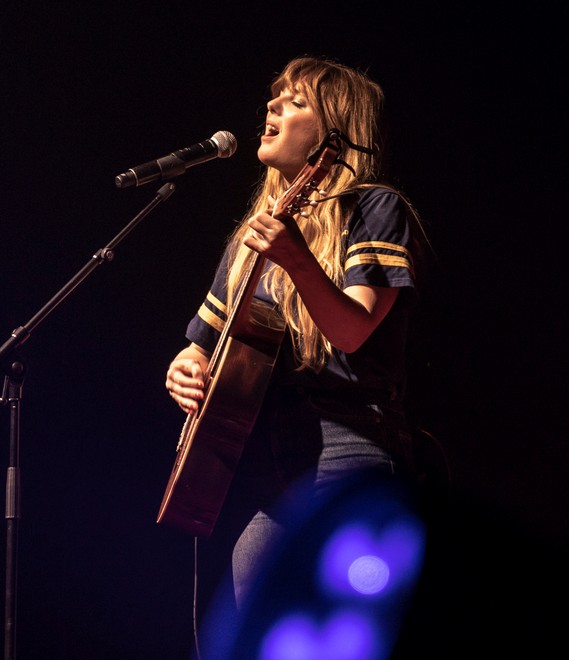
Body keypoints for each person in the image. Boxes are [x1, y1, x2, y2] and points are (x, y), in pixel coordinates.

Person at [163, 55, 429, 652]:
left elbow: (354, 331)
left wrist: (297, 259)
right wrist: (185, 368)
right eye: (275, 96)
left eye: (295, 100)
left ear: (335, 132)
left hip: (349, 447)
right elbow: (200, 346)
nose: (272, 105)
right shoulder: (250, 239)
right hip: (267, 462)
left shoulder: (374, 208)